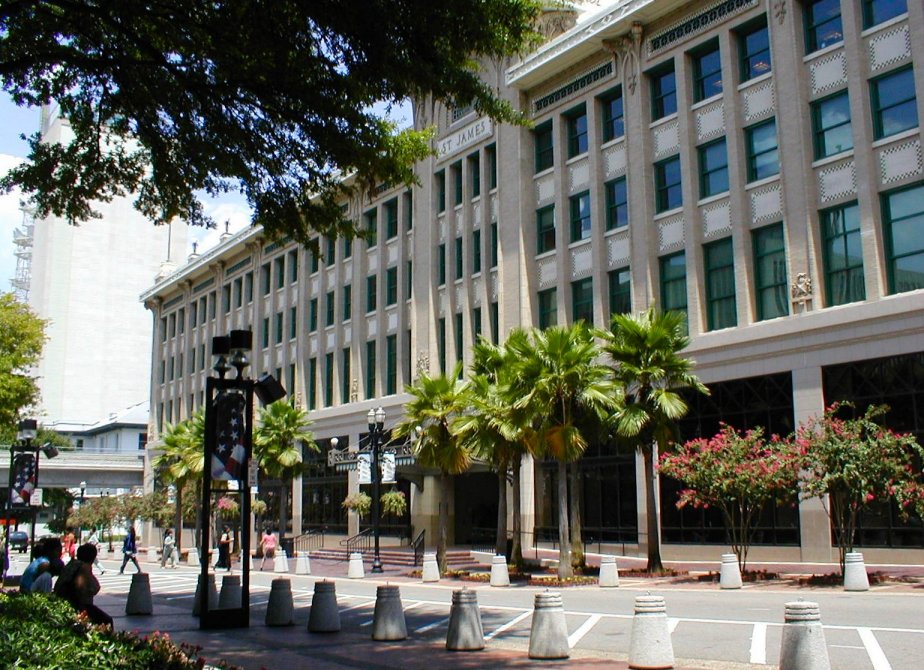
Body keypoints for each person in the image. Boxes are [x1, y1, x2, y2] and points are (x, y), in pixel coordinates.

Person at [54, 543, 113, 627]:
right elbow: (88, 588)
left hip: (63, 602)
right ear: (93, 557)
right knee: (106, 621)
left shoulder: (71, 564)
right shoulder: (84, 567)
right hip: (77, 606)